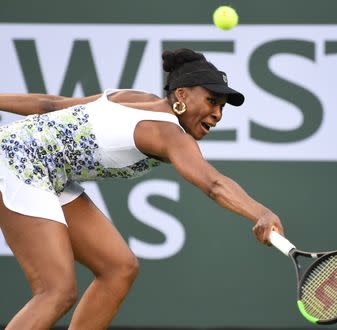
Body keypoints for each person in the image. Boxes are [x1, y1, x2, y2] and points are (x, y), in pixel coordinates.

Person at [0, 48, 284, 329]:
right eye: (211, 101)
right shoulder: (170, 135)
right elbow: (213, 183)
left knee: (118, 268)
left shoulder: (136, 98)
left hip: (52, 174)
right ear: (182, 95)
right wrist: (261, 212)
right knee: (56, 291)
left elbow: (51, 104)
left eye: (221, 107)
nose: (218, 114)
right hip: (15, 160)